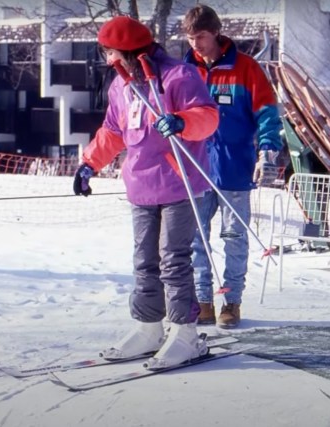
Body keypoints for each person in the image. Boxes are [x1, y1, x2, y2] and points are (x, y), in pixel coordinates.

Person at [72, 15, 219, 369]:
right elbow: (112, 131)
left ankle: (185, 333)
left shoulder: (178, 77)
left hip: (178, 184)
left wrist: (184, 121)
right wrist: (90, 163)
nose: (109, 60)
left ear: (131, 51)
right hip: (140, 185)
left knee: (174, 260)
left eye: (112, 53)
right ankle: (148, 327)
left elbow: (208, 116)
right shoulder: (121, 87)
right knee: (144, 262)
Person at [181, 4, 284, 328]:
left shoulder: (246, 69)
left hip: (235, 168)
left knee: (233, 238)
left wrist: (267, 149)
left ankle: (232, 302)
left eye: (200, 36)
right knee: (195, 238)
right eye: (189, 37)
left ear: (215, 32)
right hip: (196, 168)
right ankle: (203, 300)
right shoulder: (185, 71)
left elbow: (267, 112)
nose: (194, 44)